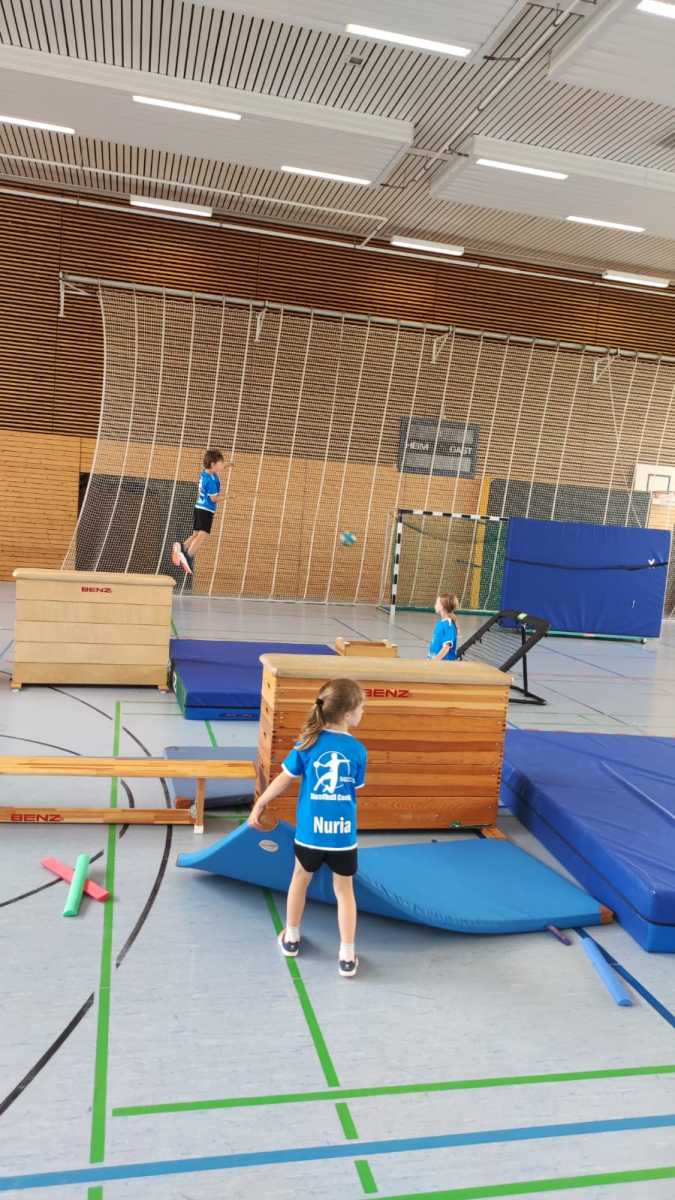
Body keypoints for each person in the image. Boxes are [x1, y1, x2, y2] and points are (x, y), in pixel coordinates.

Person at [249, 678, 366, 978]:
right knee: (345, 891)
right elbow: (354, 789)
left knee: (299, 880)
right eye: (361, 708)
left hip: (311, 835)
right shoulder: (357, 750)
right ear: (348, 714)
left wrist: (261, 802)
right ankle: (347, 955)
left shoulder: (308, 743)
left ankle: (291, 938)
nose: (363, 712)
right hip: (342, 837)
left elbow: (284, 779)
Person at [172, 449, 229, 574]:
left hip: (198, 507)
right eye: (220, 463)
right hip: (206, 510)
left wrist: (227, 465)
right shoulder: (211, 481)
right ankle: (188, 556)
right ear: (213, 464)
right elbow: (214, 499)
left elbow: (218, 467)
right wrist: (228, 497)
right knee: (203, 534)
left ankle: (182, 546)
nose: (221, 466)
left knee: (196, 534)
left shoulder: (206, 473)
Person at [428, 592, 460, 661]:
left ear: (442, 606)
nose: (435, 605)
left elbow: (446, 648)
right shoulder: (441, 623)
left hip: (444, 664)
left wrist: (435, 661)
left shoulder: (449, 625)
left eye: (437, 603)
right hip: (434, 663)